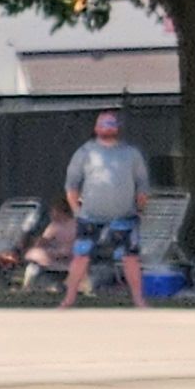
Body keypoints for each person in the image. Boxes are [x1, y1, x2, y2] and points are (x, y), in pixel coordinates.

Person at [62, 107, 153, 307]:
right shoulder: (85, 153)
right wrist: (77, 211)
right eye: (103, 123)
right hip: (90, 217)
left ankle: (139, 300)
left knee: (131, 258)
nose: (107, 127)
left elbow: (142, 185)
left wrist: (140, 208)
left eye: (111, 123)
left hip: (125, 216)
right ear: (96, 127)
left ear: (117, 128)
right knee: (81, 256)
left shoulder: (131, 154)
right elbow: (72, 185)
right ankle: (68, 299)